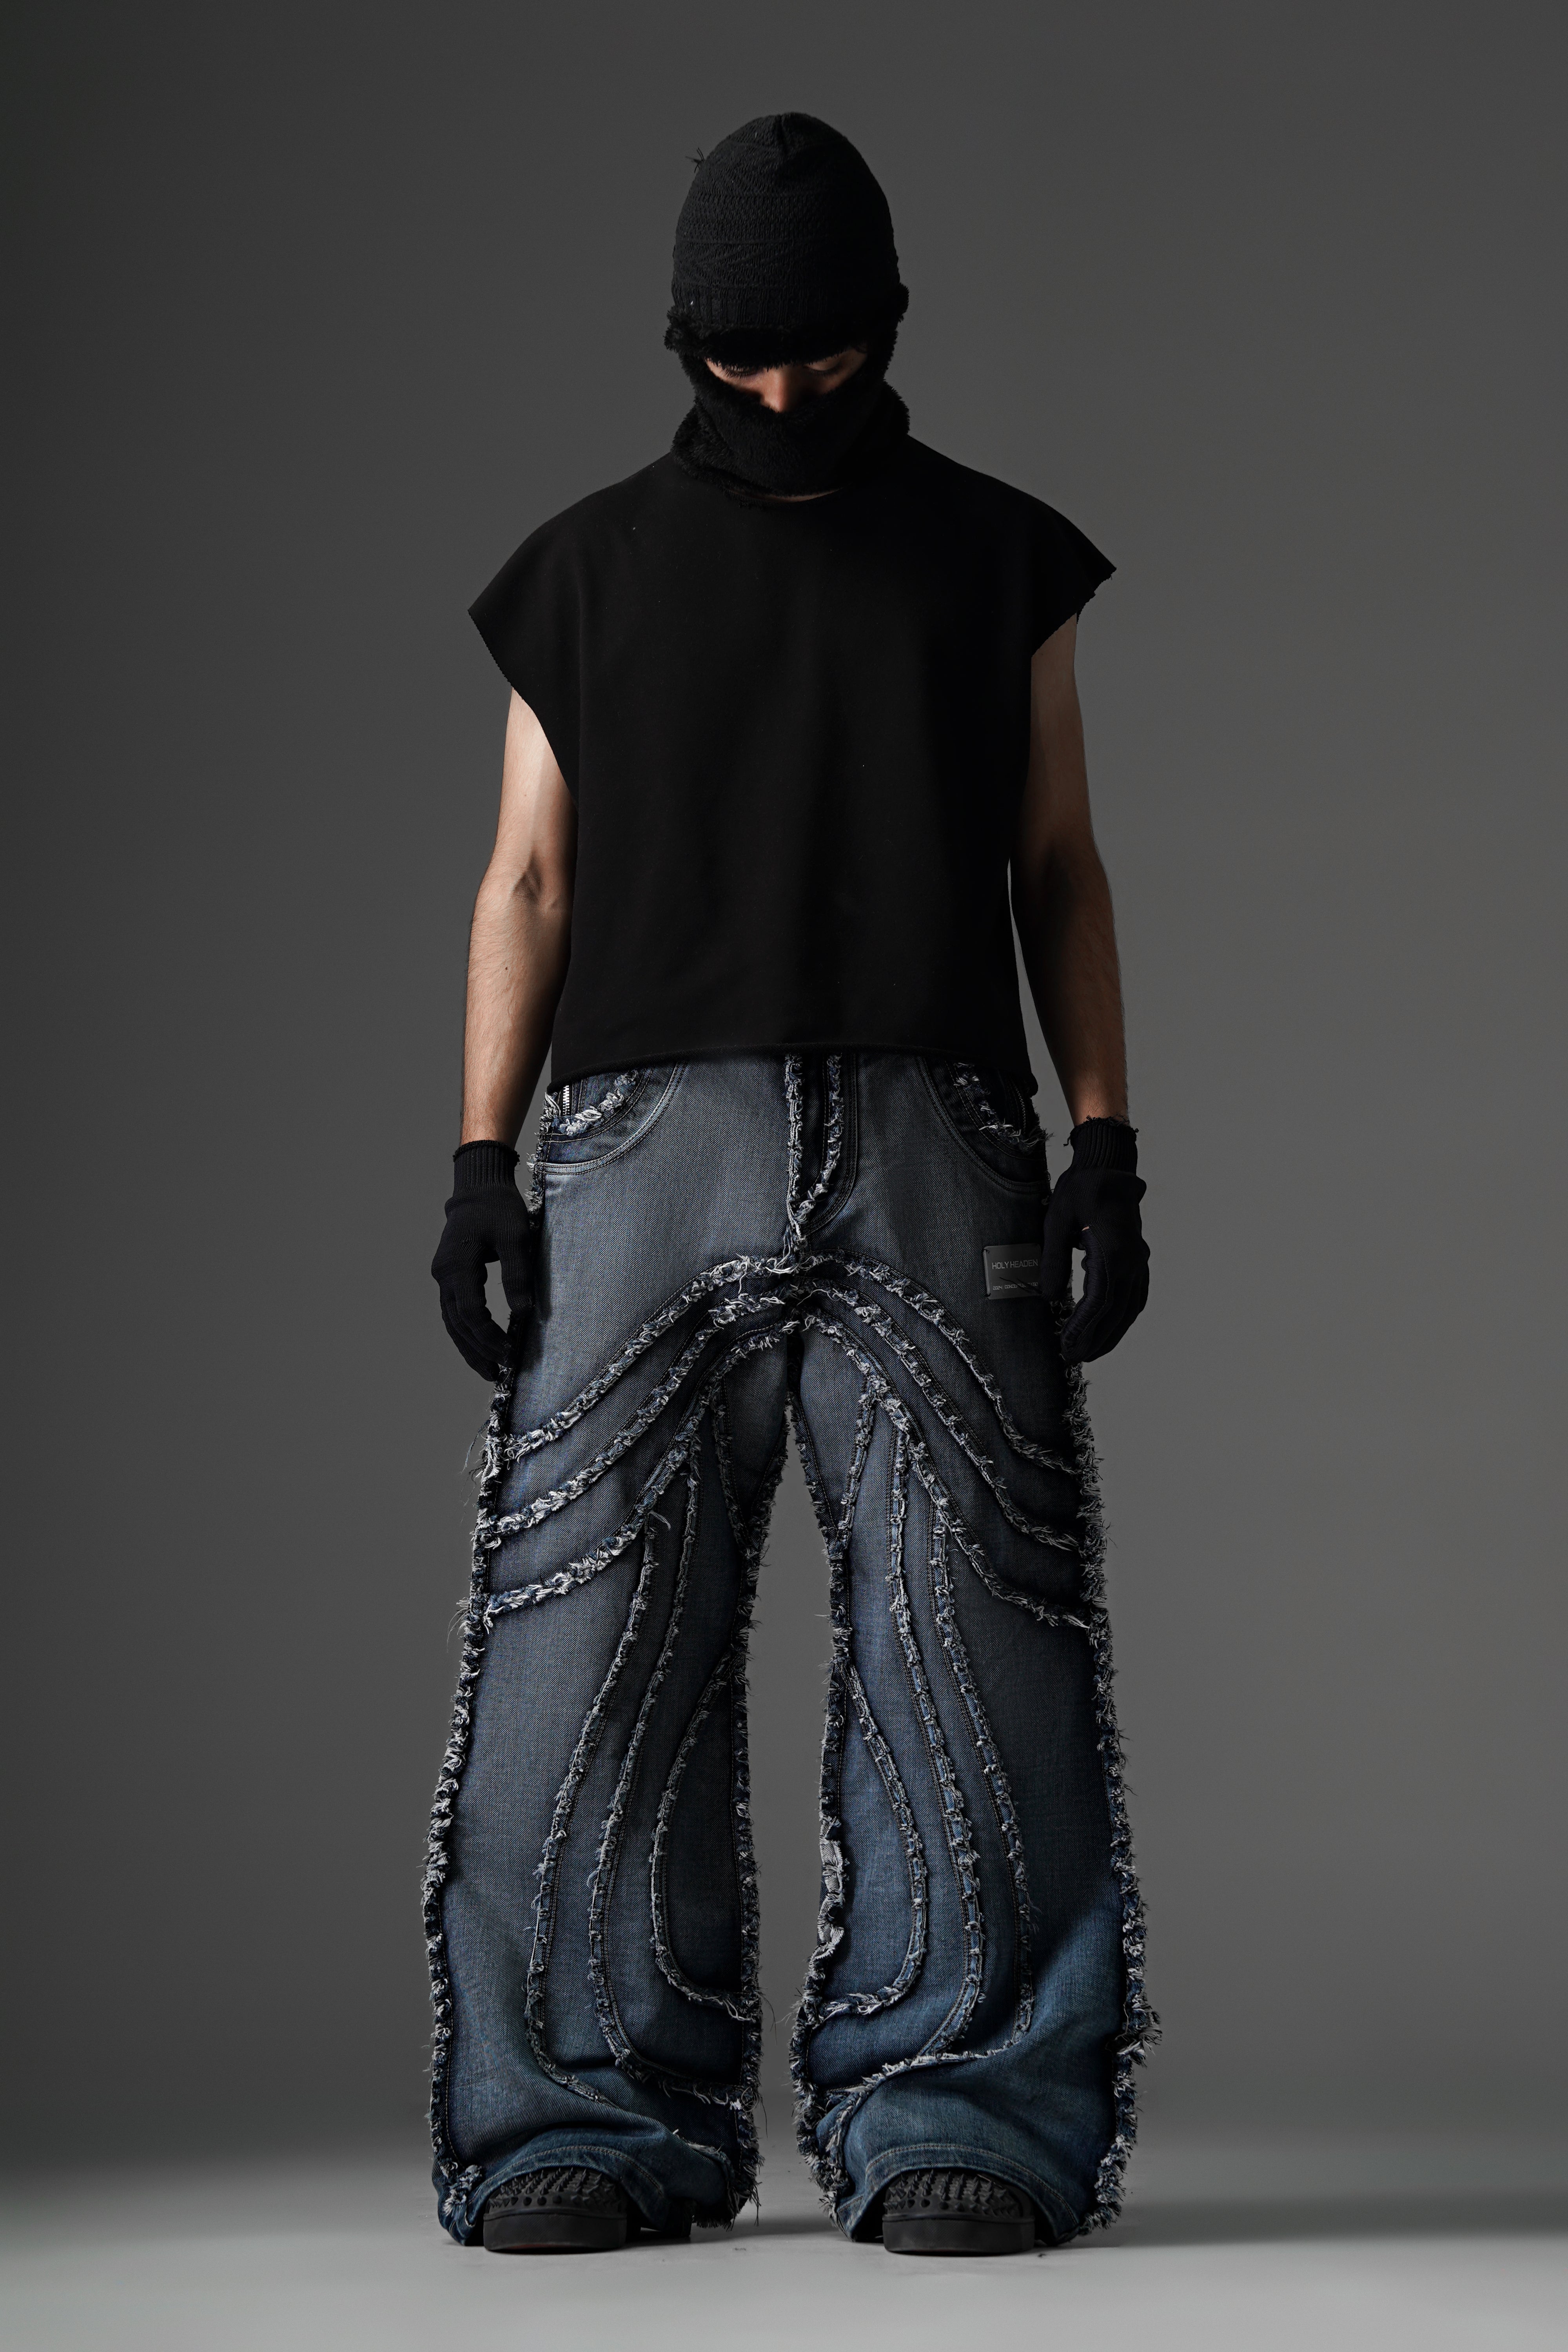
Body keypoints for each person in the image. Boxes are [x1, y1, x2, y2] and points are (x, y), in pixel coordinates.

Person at [425, 112, 1153, 2260]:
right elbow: (526, 878)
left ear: (886, 326)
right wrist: (480, 1165)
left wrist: (1108, 1142)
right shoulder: (581, 573)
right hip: (637, 1142)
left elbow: (1058, 862)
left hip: (940, 1127)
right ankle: (586, 2112)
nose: (774, 392)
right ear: (683, 336)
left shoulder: (1000, 558)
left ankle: (968, 2110)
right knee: (581, 1636)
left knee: (978, 1631)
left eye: (817, 357)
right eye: (735, 358)